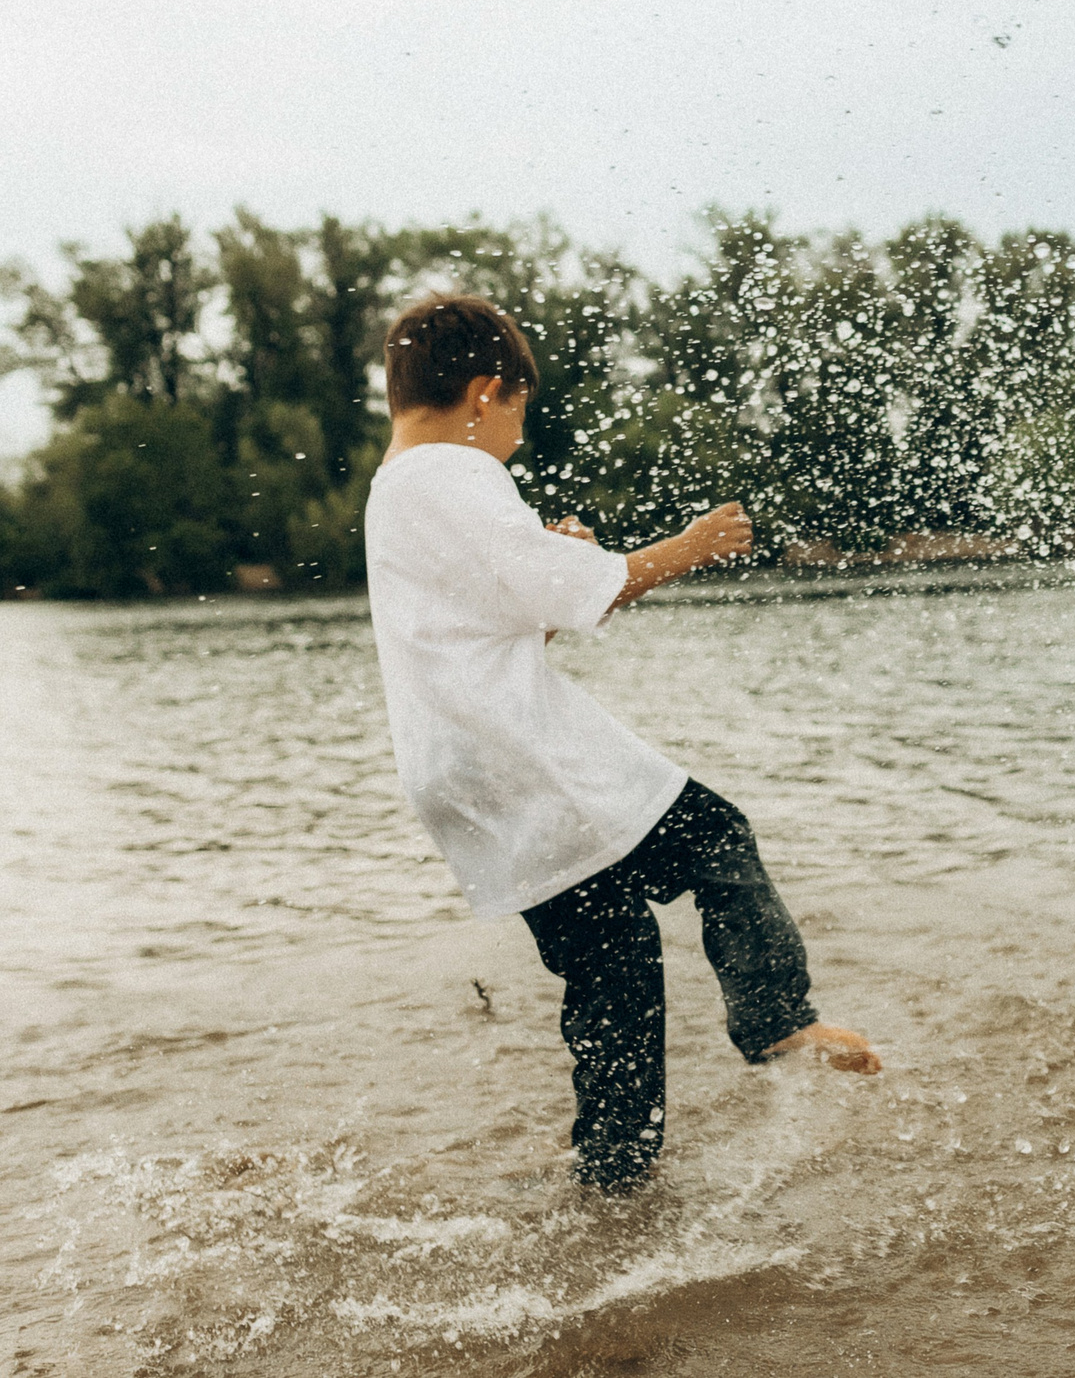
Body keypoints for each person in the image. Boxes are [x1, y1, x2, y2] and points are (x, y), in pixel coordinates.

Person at [363, 293, 880, 1194]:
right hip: (520, 750)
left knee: (614, 972)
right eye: (519, 410)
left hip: (461, 772)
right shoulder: (454, 471)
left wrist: (554, 570)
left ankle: (613, 1182)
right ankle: (778, 1022)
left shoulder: (394, 487)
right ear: (486, 392)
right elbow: (585, 591)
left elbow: (502, 623)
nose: (517, 435)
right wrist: (694, 543)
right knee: (717, 837)